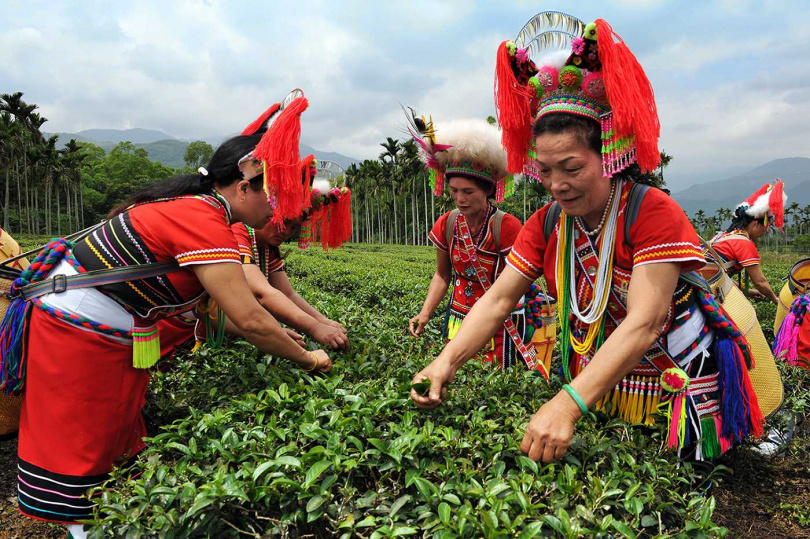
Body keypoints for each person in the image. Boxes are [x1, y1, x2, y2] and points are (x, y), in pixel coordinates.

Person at [411, 14, 764, 464]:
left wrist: (566, 404)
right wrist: (445, 362)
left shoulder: (651, 211)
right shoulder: (546, 222)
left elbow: (646, 320)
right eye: (545, 170)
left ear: (608, 153)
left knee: (685, 476)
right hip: (600, 372)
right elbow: (499, 299)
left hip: (672, 370)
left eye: (572, 168)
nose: (557, 184)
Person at [0, 95, 332, 537]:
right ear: (243, 187)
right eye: (272, 197)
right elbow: (250, 316)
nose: (277, 211)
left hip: (103, 329)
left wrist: (297, 336)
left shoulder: (201, 209)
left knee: (113, 430)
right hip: (76, 333)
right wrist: (306, 358)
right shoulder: (203, 220)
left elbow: (224, 314)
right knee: (83, 445)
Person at [406, 116, 547, 371]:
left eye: (468, 192)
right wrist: (425, 313)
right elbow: (442, 275)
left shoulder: (506, 226)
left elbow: (520, 281)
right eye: (454, 191)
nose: (460, 199)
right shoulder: (447, 224)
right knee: (457, 375)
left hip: (500, 321)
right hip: (459, 317)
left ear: (488, 191)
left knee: (497, 382)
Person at [708, 180, 786, 304]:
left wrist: (748, 291)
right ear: (755, 224)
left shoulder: (722, 236)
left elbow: (720, 277)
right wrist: (775, 299)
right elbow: (760, 282)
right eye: (765, 226)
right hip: (705, 289)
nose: (765, 231)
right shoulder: (744, 243)